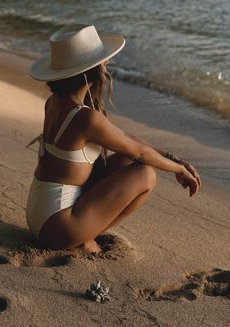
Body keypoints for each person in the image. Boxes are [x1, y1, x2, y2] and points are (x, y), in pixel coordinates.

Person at [26, 24, 201, 254]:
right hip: (57, 226)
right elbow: (139, 152)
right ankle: (84, 238)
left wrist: (170, 157)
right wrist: (179, 169)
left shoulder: (57, 103)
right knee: (146, 174)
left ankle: (83, 233)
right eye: (102, 61)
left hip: (39, 211)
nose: (106, 64)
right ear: (90, 71)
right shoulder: (85, 118)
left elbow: (128, 141)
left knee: (128, 162)